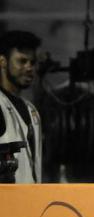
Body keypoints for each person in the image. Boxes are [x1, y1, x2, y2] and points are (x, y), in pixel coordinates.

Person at [0, 30, 42, 184]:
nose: (29, 67)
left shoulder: (31, 109)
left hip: (32, 197)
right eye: (22, 61)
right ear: (2, 62)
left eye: (32, 62)